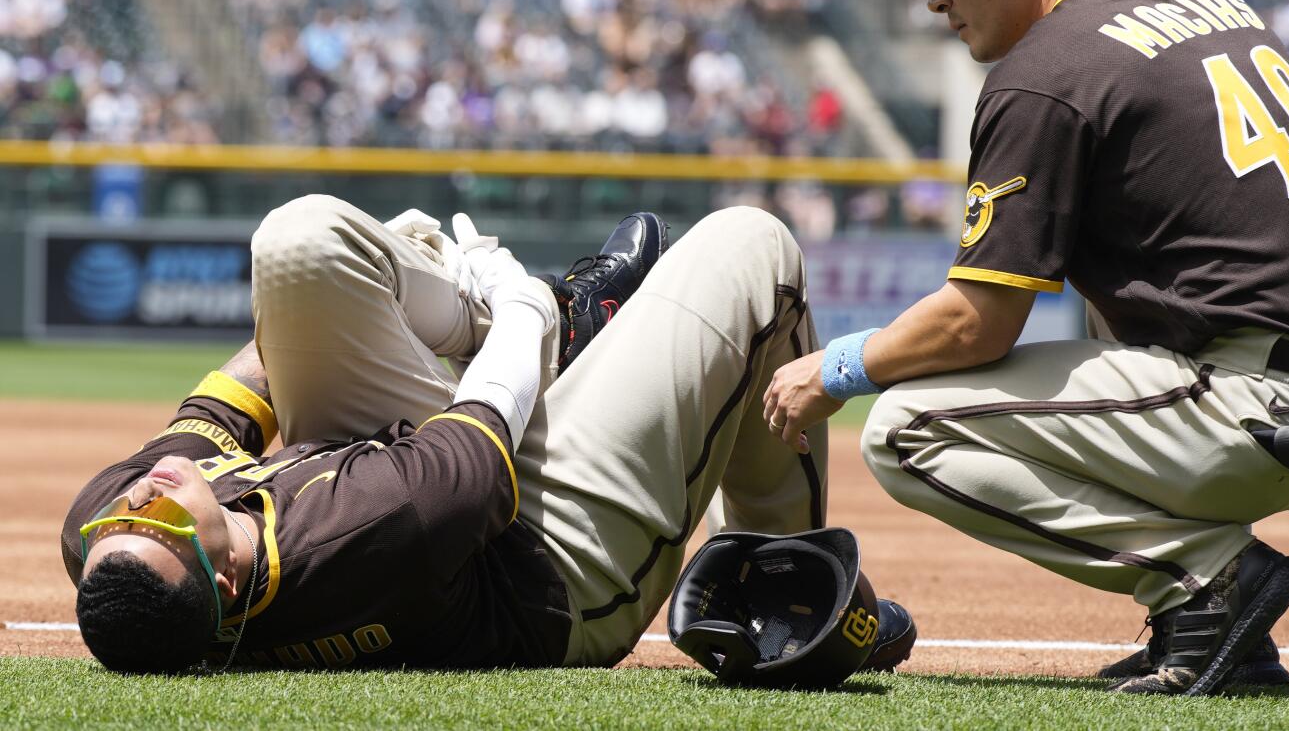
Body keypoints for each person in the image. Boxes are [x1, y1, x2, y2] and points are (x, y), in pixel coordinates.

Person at [763, 0, 1289, 697]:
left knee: (905, 428)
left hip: (1269, 402)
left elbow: (977, 321)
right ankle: (1208, 624)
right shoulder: (1212, 3)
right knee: (1088, 329)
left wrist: (839, 366)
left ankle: (1207, 586)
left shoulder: (1048, 70)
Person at [64, 197, 859, 673]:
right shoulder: (369, 531)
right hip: (546, 555)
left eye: (122, 519)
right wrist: (517, 297)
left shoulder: (109, 538)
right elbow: (492, 406)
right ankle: (787, 590)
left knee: (297, 243)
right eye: (160, 522)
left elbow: (252, 375)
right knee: (754, 247)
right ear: (229, 583)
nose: (142, 495)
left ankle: (553, 319)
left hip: (408, 464)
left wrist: (391, 281)